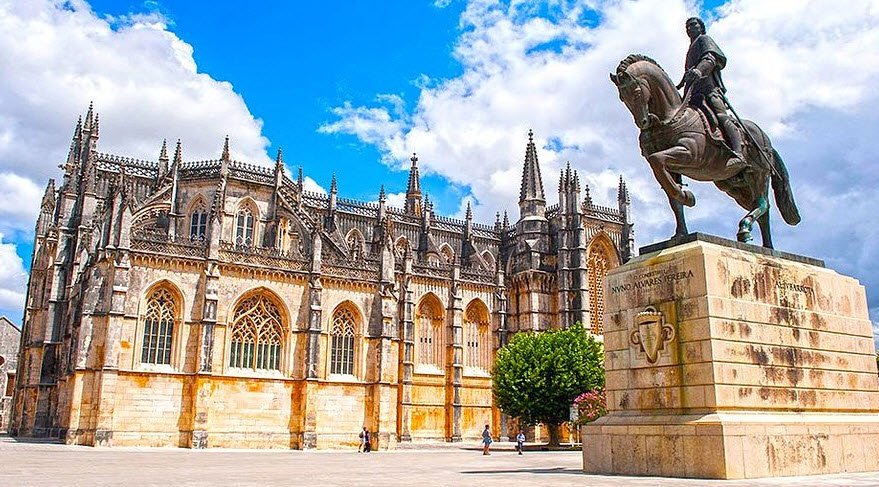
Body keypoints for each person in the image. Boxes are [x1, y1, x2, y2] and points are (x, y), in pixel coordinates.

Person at [677, 16, 744, 169]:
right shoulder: (690, 49)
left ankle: (738, 153)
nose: (689, 28)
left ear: (701, 27)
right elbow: (688, 72)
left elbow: (710, 59)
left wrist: (699, 71)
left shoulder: (704, 39)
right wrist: (680, 84)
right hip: (693, 92)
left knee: (721, 116)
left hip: (708, 89)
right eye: (687, 26)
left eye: (693, 25)